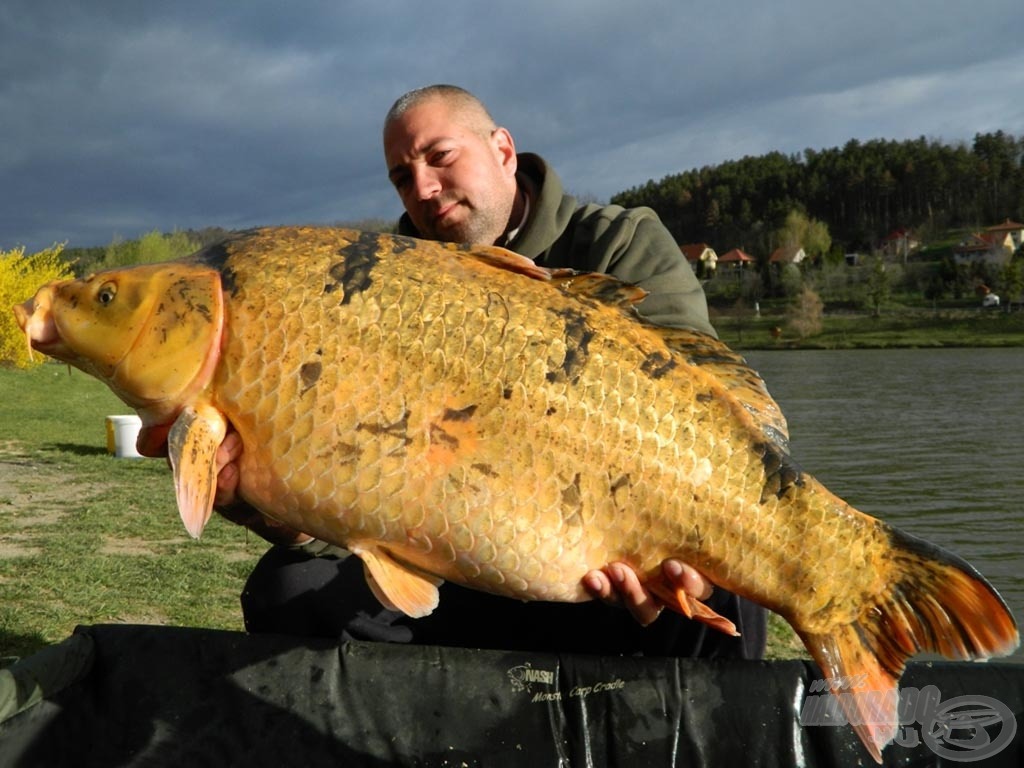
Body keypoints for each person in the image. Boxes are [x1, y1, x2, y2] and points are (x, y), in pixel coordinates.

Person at [215, 84, 766, 658]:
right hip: (462, 567)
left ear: (503, 151)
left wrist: (687, 560)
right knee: (290, 589)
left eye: (440, 156)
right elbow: (359, 488)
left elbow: (720, 423)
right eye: (403, 178)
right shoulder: (379, 293)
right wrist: (275, 509)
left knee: (729, 580)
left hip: (608, 567)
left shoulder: (618, 242)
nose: (423, 189)